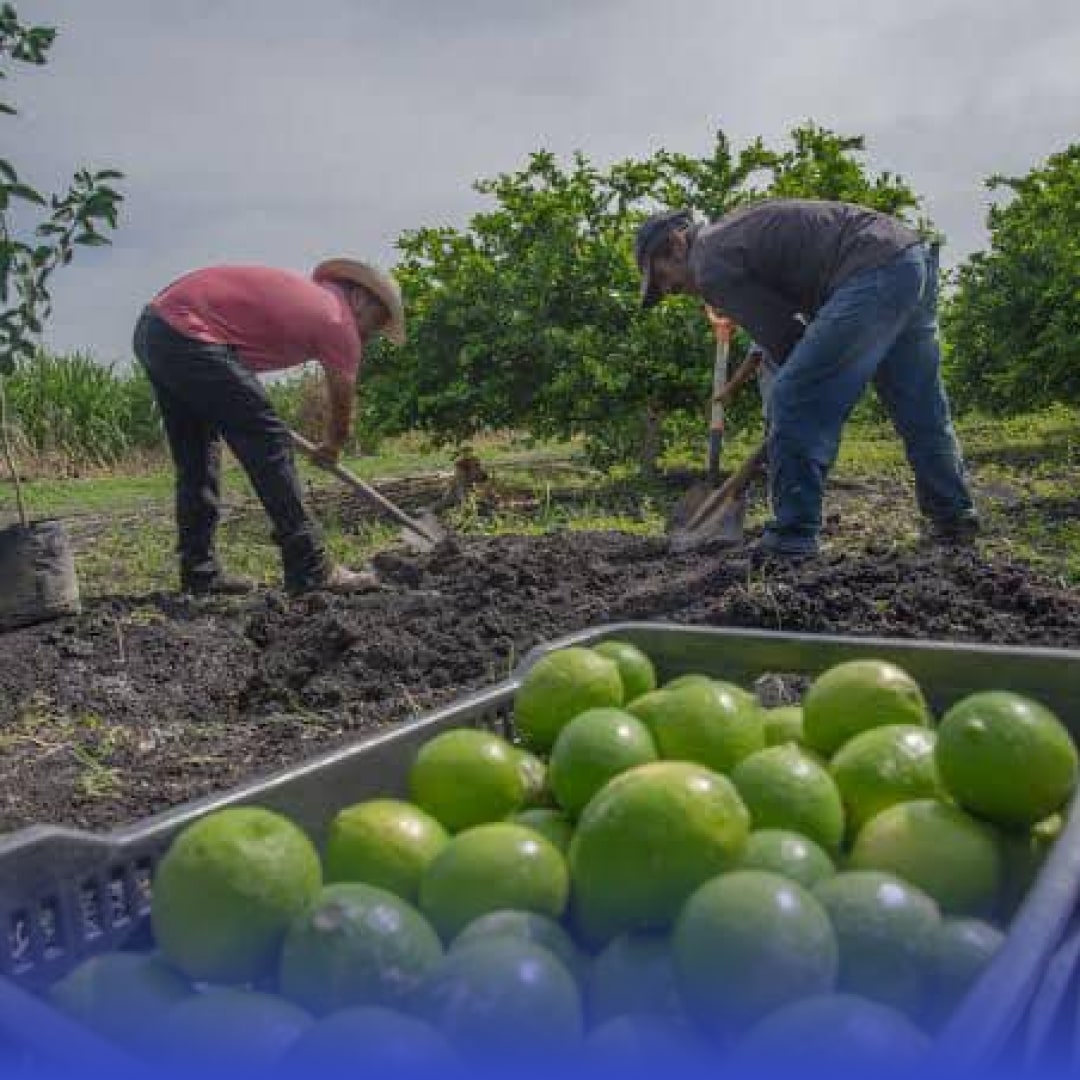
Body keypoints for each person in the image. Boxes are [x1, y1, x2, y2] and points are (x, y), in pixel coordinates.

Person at [636, 200, 979, 561]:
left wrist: (797, 412)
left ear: (677, 244)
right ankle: (953, 516)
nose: (669, 289)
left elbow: (787, 340)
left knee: (792, 397)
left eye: (662, 277)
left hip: (869, 269)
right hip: (907, 259)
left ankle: (792, 538)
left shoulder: (708, 262)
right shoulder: (728, 236)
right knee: (919, 405)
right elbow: (793, 334)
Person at [133, 258, 406, 596]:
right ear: (361, 298)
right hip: (190, 333)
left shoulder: (310, 298)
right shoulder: (339, 320)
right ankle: (311, 566)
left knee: (198, 457)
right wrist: (333, 445)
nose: (370, 333)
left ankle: (200, 573)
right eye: (376, 320)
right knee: (269, 442)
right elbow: (342, 399)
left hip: (156, 329)